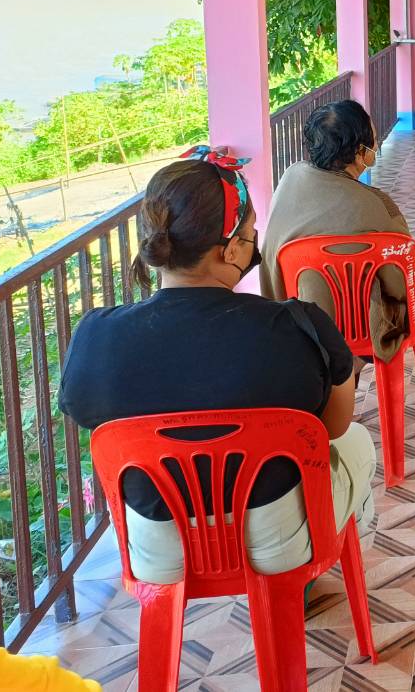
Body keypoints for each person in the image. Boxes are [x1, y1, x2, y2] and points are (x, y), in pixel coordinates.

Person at [59, 148, 375, 585]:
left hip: (159, 551)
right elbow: (335, 426)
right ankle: (310, 574)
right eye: (250, 234)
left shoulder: (96, 336)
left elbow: (85, 413)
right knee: (357, 441)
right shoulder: (299, 327)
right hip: (276, 542)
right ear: (231, 250)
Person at [260, 99, 415, 364]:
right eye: (372, 138)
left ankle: (340, 370)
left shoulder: (290, 178)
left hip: (297, 321)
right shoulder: (376, 204)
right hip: (357, 330)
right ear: (361, 152)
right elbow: (400, 278)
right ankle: (355, 363)